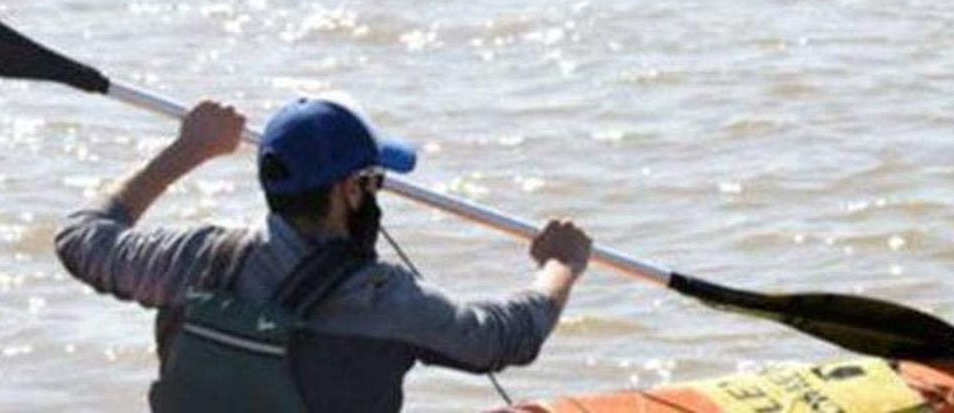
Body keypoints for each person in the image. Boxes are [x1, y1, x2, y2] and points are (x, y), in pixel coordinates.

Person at [56, 97, 591, 411]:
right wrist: (560, 265)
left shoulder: (194, 259)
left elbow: (83, 239)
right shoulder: (381, 298)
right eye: (373, 180)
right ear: (349, 190)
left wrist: (187, 149)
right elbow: (504, 338)